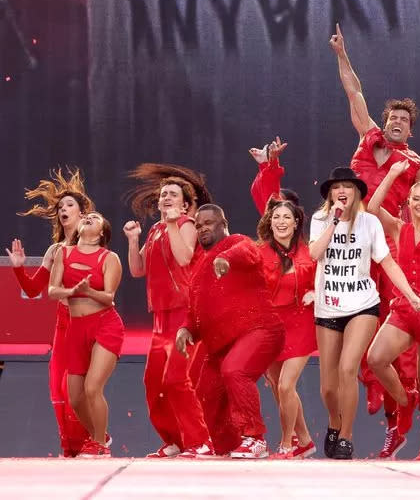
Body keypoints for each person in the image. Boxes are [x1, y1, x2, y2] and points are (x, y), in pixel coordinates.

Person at [329, 23, 420, 452]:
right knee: (352, 316)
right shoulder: (367, 136)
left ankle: (398, 414)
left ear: (411, 129)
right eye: (393, 118)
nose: (397, 123)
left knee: (390, 324)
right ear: (383, 124)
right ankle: (369, 384)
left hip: (385, 245)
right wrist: (341, 55)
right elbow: (354, 92)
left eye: (404, 120)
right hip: (349, 244)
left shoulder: (414, 162)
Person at [310, 167, 420, 460]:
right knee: (328, 386)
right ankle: (335, 423)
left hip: (362, 304)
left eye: (348, 186)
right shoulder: (320, 219)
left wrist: (410, 295)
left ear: (357, 192)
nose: (342, 191)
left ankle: (346, 437)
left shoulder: (369, 223)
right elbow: (314, 254)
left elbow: (387, 263)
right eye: (337, 187)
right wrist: (334, 222)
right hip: (328, 306)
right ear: (330, 194)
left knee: (349, 368)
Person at [176, 204, 285, 459]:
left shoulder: (237, 243)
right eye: (199, 225)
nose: (202, 228)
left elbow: (248, 251)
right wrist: (185, 329)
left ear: (224, 224)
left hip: (260, 330)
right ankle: (227, 446)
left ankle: (254, 439)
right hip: (224, 343)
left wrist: (226, 258)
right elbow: (196, 310)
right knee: (206, 390)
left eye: (208, 223)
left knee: (234, 370)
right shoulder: (199, 269)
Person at [367, 161, 420, 460]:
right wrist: (391, 174)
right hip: (404, 307)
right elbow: (373, 207)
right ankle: (405, 401)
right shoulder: (398, 227)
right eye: (415, 198)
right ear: (408, 202)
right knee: (376, 358)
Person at [7, 168, 94, 456]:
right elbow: (33, 290)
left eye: (69, 205)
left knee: (76, 390)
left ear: (83, 213)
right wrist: (19, 268)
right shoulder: (54, 250)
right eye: (60, 207)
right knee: (57, 389)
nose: (63, 210)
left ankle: (93, 445)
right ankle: (69, 450)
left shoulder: (94, 246)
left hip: (86, 323)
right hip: (62, 326)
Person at [123, 177, 211, 458]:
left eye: (173, 194)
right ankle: (173, 440)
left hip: (185, 314)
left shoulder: (186, 225)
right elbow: (138, 270)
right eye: (163, 194)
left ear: (185, 204)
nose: (167, 198)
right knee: (153, 382)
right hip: (161, 318)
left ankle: (200, 441)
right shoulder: (155, 230)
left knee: (175, 379)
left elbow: (184, 258)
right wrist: (133, 239)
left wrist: (174, 223)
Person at [48, 211, 124, 458]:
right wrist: (72, 290)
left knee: (92, 388)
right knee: (75, 398)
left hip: (105, 325)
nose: (89, 217)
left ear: (101, 232)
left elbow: (109, 298)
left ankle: (99, 444)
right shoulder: (64, 253)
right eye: (87, 216)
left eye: (96, 217)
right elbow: (52, 290)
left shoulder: (109, 258)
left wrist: (89, 291)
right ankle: (99, 437)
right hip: (76, 328)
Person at [256, 198, 318, 459]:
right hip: (270, 325)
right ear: (270, 223)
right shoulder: (259, 253)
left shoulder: (309, 251)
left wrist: (317, 291)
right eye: (276, 217)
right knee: (278, 387)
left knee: (285, 386)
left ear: (295, 223)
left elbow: (326, 277)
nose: (281, 221)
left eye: (286, 217)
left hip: (300, 323)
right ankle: (304, 440)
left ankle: (286, 444)